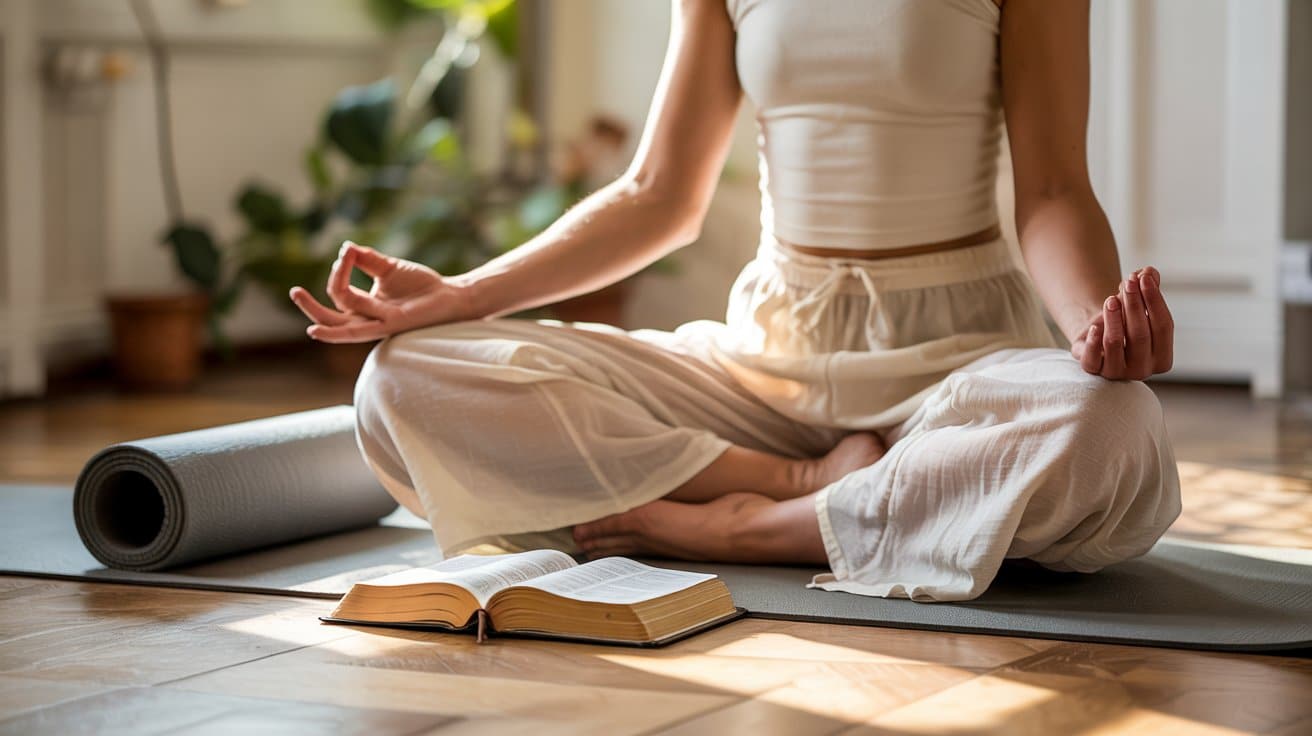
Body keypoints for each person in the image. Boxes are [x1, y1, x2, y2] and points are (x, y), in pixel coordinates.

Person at [290, 0, 1181, 601]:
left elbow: (1053, 190)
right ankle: (800, 488)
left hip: (951, 368)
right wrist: (462, 294)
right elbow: (657, 195)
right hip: (762, 368)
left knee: (1110, 427)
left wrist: (1094, 330)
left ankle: (744, 534)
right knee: (402, 381)